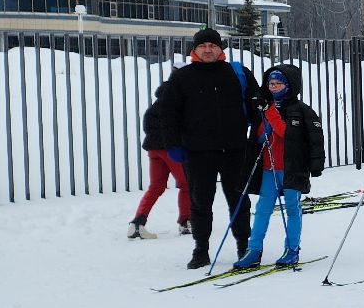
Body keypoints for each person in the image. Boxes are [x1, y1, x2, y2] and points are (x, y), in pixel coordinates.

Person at [152, 27, 257, 269]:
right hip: (197, 151)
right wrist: (173, 145)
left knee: (239, 199)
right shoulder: (182, 77)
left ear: (221, 49)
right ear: (194, 50)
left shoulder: (237, 73)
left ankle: (244, 246)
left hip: (235, 148)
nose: (208, 50)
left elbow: (255, 102)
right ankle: (201, 249)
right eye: (203, 46)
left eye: (213, 45)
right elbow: (168, 114)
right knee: (200, 202)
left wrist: (257, 135)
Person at [233, 65, 326, 268]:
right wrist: (263, 128)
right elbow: (257, 137)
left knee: (292, 207)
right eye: (271, 83)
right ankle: (254, 249)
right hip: (269, 168)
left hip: (292, 168)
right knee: (263, 209)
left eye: (278, 83)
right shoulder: (265, 109)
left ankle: (292, 249)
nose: (274, 87)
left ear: (289, 85)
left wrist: (316, 164)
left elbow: (291, 135)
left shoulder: (301, 110)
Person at [130, 94, 191, 239]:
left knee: (156, 186)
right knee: (186, 184)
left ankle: (138, 223)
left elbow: (147, 122)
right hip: (170, 149)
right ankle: (185, 222)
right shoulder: (178, 99)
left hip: (154, 148)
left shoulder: (159, 101)